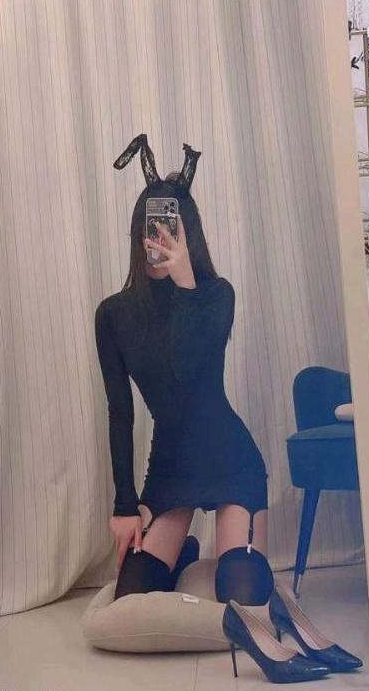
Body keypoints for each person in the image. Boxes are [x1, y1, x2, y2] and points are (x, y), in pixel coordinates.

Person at [95, 134, 272, 605]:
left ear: (188, 232)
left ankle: (221, 552)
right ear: (137, 232)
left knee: (244, 594)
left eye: (172, 227)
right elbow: (120, 412)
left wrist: (187, 283)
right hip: (171, 466)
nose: (160, 237)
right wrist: (125, 505)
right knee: (133, 600)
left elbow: (191, 371)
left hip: (230, 458)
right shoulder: (113, 315)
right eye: (152, 226)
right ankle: (185, 550)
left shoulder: (216, 295)